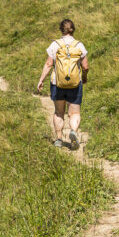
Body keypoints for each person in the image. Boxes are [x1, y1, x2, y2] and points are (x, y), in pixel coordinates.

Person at [36, 18, 89, 150]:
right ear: (73, 29)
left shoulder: (55, 45)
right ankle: (73, 131)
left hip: (57, 83)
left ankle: (59, 139)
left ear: (61, 29)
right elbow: (85, 66)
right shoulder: (79, 45)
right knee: (74, 112)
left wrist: (41, 79)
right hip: (75, 84)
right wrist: (84, 76)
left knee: (59, 112)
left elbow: (49, 64)